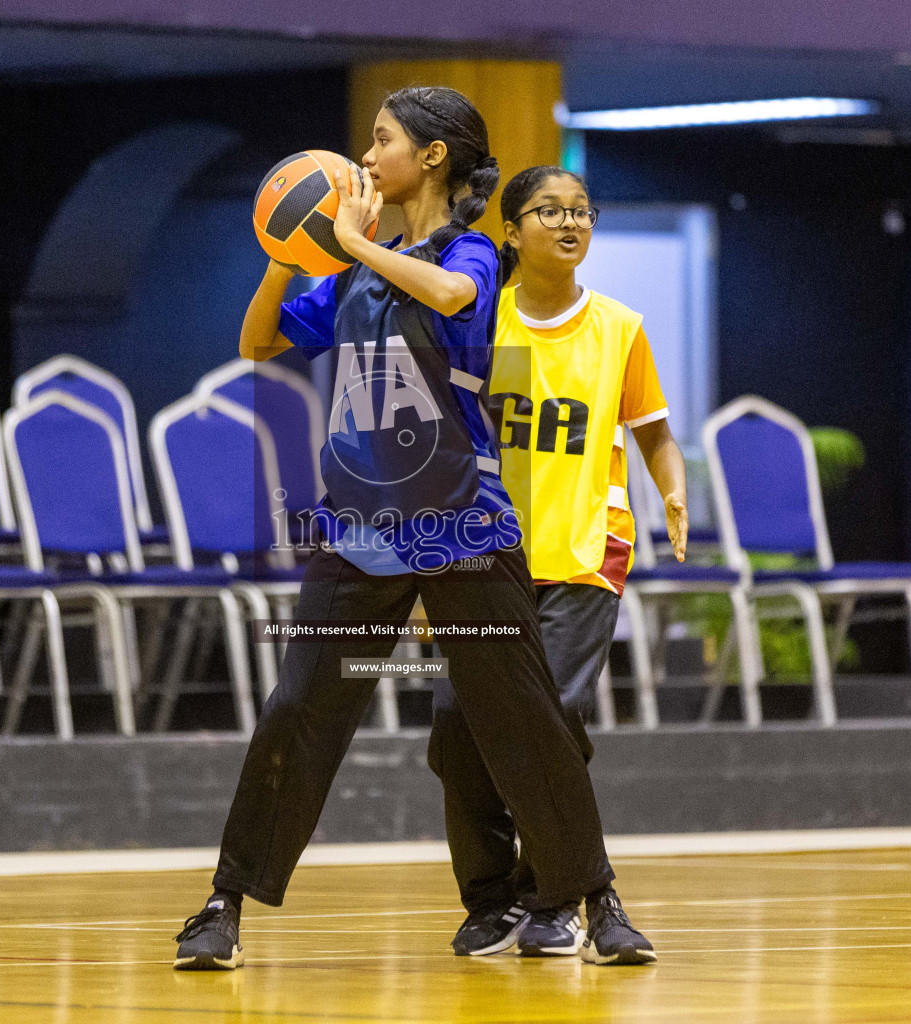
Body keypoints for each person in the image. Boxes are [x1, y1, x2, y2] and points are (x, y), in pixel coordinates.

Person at [174, 86, 642, 970]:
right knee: (295, 712)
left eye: (381, 140)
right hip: (358, 532)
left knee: (525, 720)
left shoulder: (473, 252)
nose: (367, 155)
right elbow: (258, 340)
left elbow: (455, 292)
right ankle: (223, 904)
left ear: (430, 157)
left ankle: (594, 897)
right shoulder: (353, 270)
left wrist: (352, 244)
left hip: (464, 528)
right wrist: (287, 251)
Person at [427, 166, 681, 963]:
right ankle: (490, 900)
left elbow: (653, 432)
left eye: (582, 212)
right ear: (511, 231)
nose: (571, 224)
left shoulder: (618, 328)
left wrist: (672, 492)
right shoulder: (480, 325)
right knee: (452, 726)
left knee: (549, 717)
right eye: (550, 211)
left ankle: (552, 901)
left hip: (581, 553)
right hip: (482, 558)